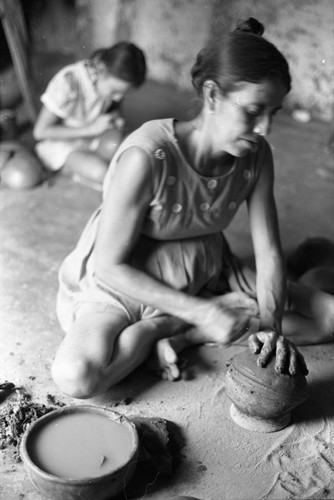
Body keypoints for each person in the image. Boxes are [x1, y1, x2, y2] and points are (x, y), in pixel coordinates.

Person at [52, 18, 334, 399]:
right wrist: (201, 311)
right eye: (253, 111)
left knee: (327, 319)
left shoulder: (255, 155)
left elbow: (267, 251)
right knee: (77, 377)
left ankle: (186, 336)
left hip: (205, 265)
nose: (265, 127)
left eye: (274, 112)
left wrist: (271, 327)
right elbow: (109, 265)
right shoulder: (148, 155)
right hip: (132, 273)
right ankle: (158, 328)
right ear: (213, 95)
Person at [33, 42, 146, 190]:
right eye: (115, 91)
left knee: (134, 151)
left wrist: (116, 118)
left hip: (93, 136)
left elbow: (114, 106)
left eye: (123, 93)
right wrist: (91, 130)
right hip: (61, 142)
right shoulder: (69, 82)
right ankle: (70, 168)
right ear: (102, 70)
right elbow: (40, 132)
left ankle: (87, 162)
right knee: (103, 173)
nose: (118, 97)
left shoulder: (109, 77)